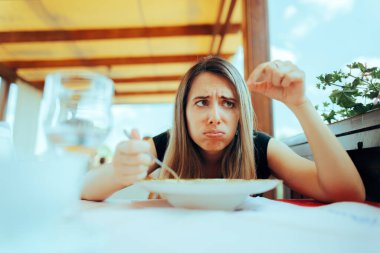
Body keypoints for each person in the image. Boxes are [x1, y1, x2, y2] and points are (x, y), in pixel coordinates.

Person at [81, 56, 365, 203]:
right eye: (202, 102)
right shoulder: (164, 145)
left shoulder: (261, 147)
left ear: (241, 112)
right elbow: (83, 191)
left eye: (228, 103)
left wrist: (301, 104)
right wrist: (118, 171)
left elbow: (348, 193)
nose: (215, 117)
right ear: (184, 112)